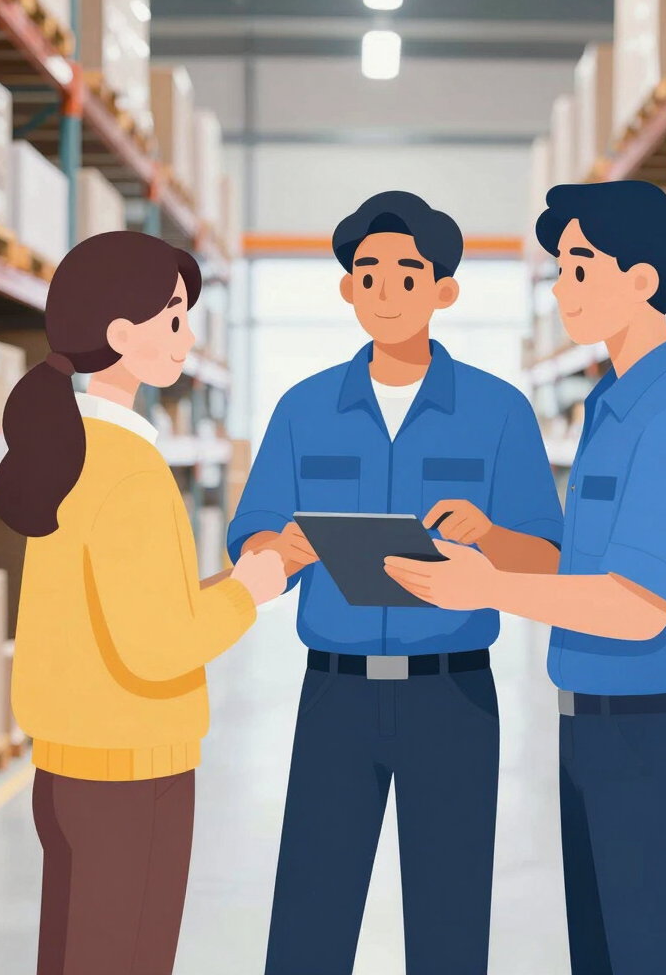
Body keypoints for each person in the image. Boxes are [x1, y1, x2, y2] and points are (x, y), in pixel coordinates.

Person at [386, 180, 666, 975]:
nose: (560, 289)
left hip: (656, 733)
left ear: (642, 281)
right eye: (559, 269)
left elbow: (638, 607)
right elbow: (578, 574)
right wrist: (497, 545)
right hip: (592, 730)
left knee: (663, 955)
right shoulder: (610, 406)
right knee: (607, 954)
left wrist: (487, 589)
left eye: (579, 267)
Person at [227, 190, 565, 975]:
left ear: (443, 292)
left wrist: (490, 539)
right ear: (346, 288)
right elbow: (252, 548)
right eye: (367, 273)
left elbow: (547, 560)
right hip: (334, 698)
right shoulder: (303, 410)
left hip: (451, 697)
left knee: (450, 917)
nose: (385, 291)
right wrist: (285, 549)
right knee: (312, 910)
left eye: (408, 275)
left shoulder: (500, 412)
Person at [0, 231, 286, 975]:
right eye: (176, 318)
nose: (189, 339)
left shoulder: (67, 452)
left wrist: (233, 580)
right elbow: (155, 646)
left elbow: (114, 611)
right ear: (123, 336)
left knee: (71, 958)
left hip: (65, 771)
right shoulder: (130, 469)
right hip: (130, 775)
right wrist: (251, 594)